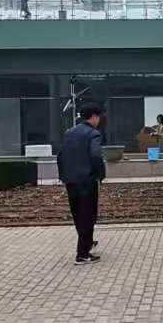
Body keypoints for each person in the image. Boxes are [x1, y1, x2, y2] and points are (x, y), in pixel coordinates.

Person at [59, 104, 106, 263]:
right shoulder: (93, 134)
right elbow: (96, 156)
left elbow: (61, 155)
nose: (99, 120)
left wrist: (63, 176)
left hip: (70, 180)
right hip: (87, 181)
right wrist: (100, 175)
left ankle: (87, 242)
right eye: (98, 117)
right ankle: (82, 254)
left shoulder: (69, 132)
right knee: (88, 215)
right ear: (93, 117)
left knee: (78, 214)